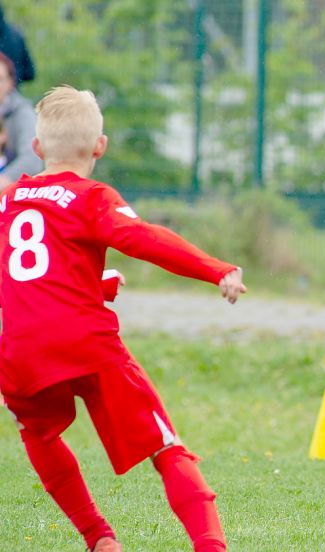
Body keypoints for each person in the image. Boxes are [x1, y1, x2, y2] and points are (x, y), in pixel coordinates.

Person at [0, 86, 247, 551]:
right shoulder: (90, 197)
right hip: (86, 343)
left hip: (21, 352)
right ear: (99, 146)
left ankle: (99, 538)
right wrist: (216, 269)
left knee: (38, 434)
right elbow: (144, 239)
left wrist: (95, 284)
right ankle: (211, 546)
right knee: (167, 447)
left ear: (36, 149)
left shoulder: (10, 202)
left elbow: (20, 275)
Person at [0, 52, 41, 188]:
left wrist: (5, 180)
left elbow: (32, 160)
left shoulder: (22, 113)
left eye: (0, 79)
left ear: (10, 83)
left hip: (11, 194)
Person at [0, 5, 33, 85]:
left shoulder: (15, 35)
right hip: (12, 89)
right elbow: (29, 73)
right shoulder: (16, 35)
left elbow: (30, 72)